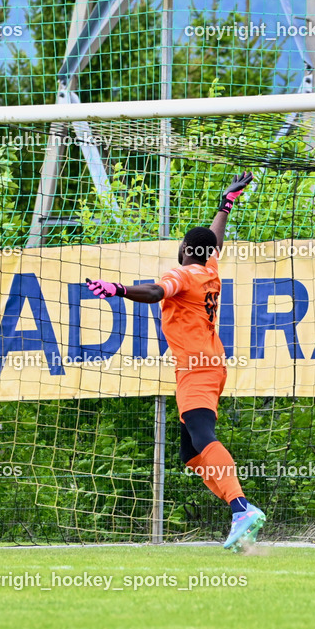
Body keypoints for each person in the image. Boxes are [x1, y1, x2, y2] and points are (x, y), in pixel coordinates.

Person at [87, 171, 265, 552]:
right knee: (190, 453)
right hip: (209, 365)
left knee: (203, 437)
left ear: (185, 248)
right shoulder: (210, 269)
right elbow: (212, 240)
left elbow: (154, 291)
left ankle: (239, 508)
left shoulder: (182, 274)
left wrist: (118, 289)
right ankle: (242, 507)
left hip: (197, 368)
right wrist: (226, 203)